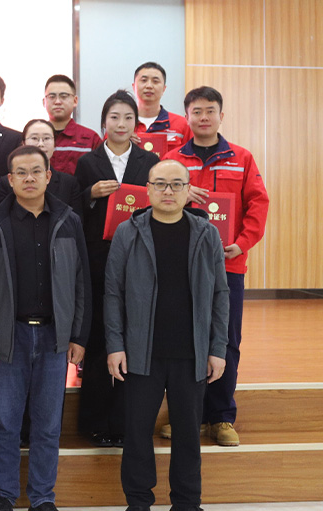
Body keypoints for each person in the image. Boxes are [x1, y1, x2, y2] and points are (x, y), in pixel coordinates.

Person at [106, 159, 229, 511]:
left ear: (189, 190)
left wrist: (217, 348)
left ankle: (187, 503)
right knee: (137, 433)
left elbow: (221, 294)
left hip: (191, 352)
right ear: (147, 189)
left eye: (177, 184)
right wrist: (115, 345)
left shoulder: (206, 233)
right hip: (140, 352)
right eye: (160, 184)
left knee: (188, 434)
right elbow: (113, 292)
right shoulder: (128, 231)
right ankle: (138, 503)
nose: (168, 191)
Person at [0, 145, 90, 511]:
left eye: (36, 171)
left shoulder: (69, 220)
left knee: (48, 423)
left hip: (55, 337)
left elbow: (81, 282)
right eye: (21, 173)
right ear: (10, 180)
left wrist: (78, 336)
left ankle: (42, 496)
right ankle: (4, 495)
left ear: (48, 176)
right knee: (5, 421)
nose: (29, 178)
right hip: (10, 335)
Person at [162, 86, 269, 446]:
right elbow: (155, 203)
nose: (204, 117)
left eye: (210, 111)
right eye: (197, 111)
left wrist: (243, 243)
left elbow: (258, 205)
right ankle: (186, 415)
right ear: (187, 117)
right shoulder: (173, 160)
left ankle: (221, 417)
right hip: (181, 266)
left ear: (221, 116)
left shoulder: (242, 158)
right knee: (183, 341)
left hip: (228, 265)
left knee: (226, 340)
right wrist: (179, 193)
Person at [75, 91, 160, 448]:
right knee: (99, 340)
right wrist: (91, 195)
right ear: (103, 122)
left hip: (139, 258)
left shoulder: (150, 160)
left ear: (136, 123)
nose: (121, 124)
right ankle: (96, 422)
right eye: (114, 117)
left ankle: (128, 422)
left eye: (128, 117)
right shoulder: (87, 163)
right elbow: (73, 210)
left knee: (136, 340)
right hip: (98, 259)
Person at [0, 120, 82, 220]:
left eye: (46, 138)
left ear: (54, 143)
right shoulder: (6, 183)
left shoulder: (69, 183)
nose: (40, 144)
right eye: (34, 138)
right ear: (23, 143)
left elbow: (76, 222)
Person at [43, 74, 101, 175]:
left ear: (75, 101)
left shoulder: (91, 139)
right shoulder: (34, 137)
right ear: (44, 102)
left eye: (63, 96)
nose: (57, 102)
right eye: (52, 97)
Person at [132, 62, 192, 152]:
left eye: (155, 81)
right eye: (144, 80)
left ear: (164, 88)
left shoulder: (182, 124)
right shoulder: (122, 124)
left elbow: (192, 156)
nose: (149, 86)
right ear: (134, 87)